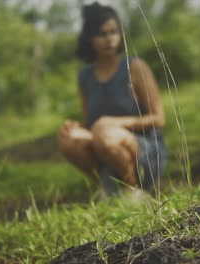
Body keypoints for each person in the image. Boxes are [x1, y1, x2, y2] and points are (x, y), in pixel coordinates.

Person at [58, 2, 167, 196]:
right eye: (102, 34)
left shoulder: (135, 68)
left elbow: (159, 118)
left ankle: (133, 189)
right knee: (68, 139)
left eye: (114, 32)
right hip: (105, 144)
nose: (110, 39)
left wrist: (114, 124)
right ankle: (107, 186)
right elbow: (91, 124)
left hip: (144, 149)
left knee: (104, 132)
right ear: (90, 38)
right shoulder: (85, 77)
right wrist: (75, 128)